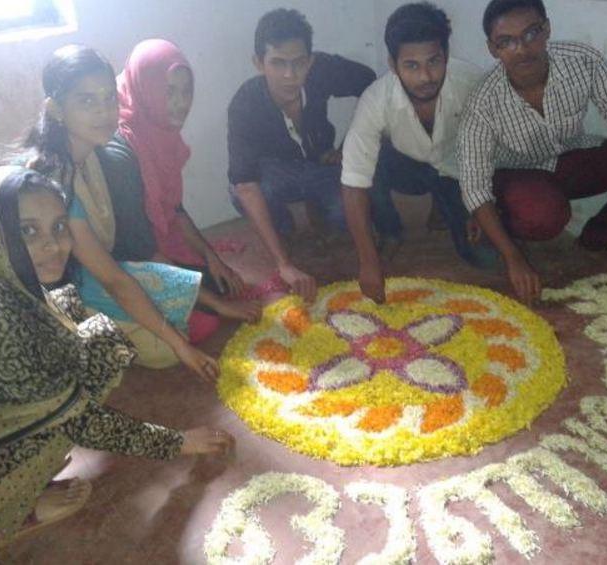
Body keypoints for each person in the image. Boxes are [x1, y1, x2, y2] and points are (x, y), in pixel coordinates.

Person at [0, 166, 234, 563]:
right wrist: (180, 443)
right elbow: (83, 422)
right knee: (97, 352)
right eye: (28, 231)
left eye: (59, 227)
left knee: (75, 322)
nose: (53, 246)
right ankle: (2, 516)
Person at [20, 44, 259, 378]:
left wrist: (215, 303)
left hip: (94, 273)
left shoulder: (91, 156)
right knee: (166, 349)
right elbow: (113, 277)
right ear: (56, 109)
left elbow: (134, 249)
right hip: (44, 296)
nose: (104, 112)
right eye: (87, 101)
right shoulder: (52, 181)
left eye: (109, 98)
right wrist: (182, 345)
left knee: (183, 314)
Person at [457, 0, 607, 304]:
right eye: (506, 41)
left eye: (531, 33)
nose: (522, 49)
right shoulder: (482, 103)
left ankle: (593, 243)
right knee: (545, 215)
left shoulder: (582, 62)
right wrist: (513, 258)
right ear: (492, 48)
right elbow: (474, 185)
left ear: (547, 29)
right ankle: (501, 231)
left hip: (568, 160)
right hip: (513, 176)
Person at [342, 2, 493, 303]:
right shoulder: (375, 99)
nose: (425, 76)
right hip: (404, 167)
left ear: (447, 56)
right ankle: (390, 230)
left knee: (483, 257)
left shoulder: (473, 83)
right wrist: (368, 262)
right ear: (392, 63)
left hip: (457, 173)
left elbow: (490, 150)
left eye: (434, 61)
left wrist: (481, 205)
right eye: (411, 65)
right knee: (369, 161)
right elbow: (353, 183)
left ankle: (445, 207)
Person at [227, 8, 376, 302]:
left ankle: (319, 210)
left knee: (350, 216)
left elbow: (370, 83)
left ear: (310, 60)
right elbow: (245, 184)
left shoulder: (323, 70)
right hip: (275, 173)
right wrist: (284, 264)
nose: (289, 75)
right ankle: (282, 227)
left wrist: (350, 144)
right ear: (259, 63)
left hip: (321, 165)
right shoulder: (244, 104)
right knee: (241, 191)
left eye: (298, 63)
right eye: (277, 63)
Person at [112, 38, 249, 300]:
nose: (181, 103)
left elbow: (174, 207)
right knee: (202, 315)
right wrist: (211, 301)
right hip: (129, 252)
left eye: (186, 91)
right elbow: (135, 242)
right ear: (145, 88)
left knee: (219, 282)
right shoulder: (121, 149)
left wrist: (212, 257)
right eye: (169, 91)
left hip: (158, 235)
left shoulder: (162, 133)